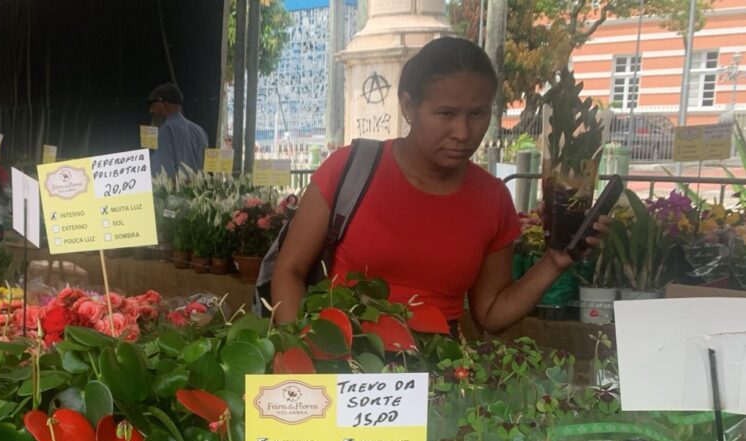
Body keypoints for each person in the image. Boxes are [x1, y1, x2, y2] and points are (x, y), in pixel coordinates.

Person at [271, 37, 605, 333]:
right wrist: (306, 353)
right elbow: (289, 271)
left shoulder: (492, 199)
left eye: (477, 114)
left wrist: (554, 263)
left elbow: (490, 314)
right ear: (408, 106)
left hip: (440, 373)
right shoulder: (349, 169)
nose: (462, 132)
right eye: (446, 114)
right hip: (343, 364)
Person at [147, 83, 208, 177]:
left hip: (176, 186)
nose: (151, 111)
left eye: (153, 106)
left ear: (165, 105)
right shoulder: (200, 131)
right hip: (198, 186)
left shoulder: (166, 131)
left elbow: (161, 175)